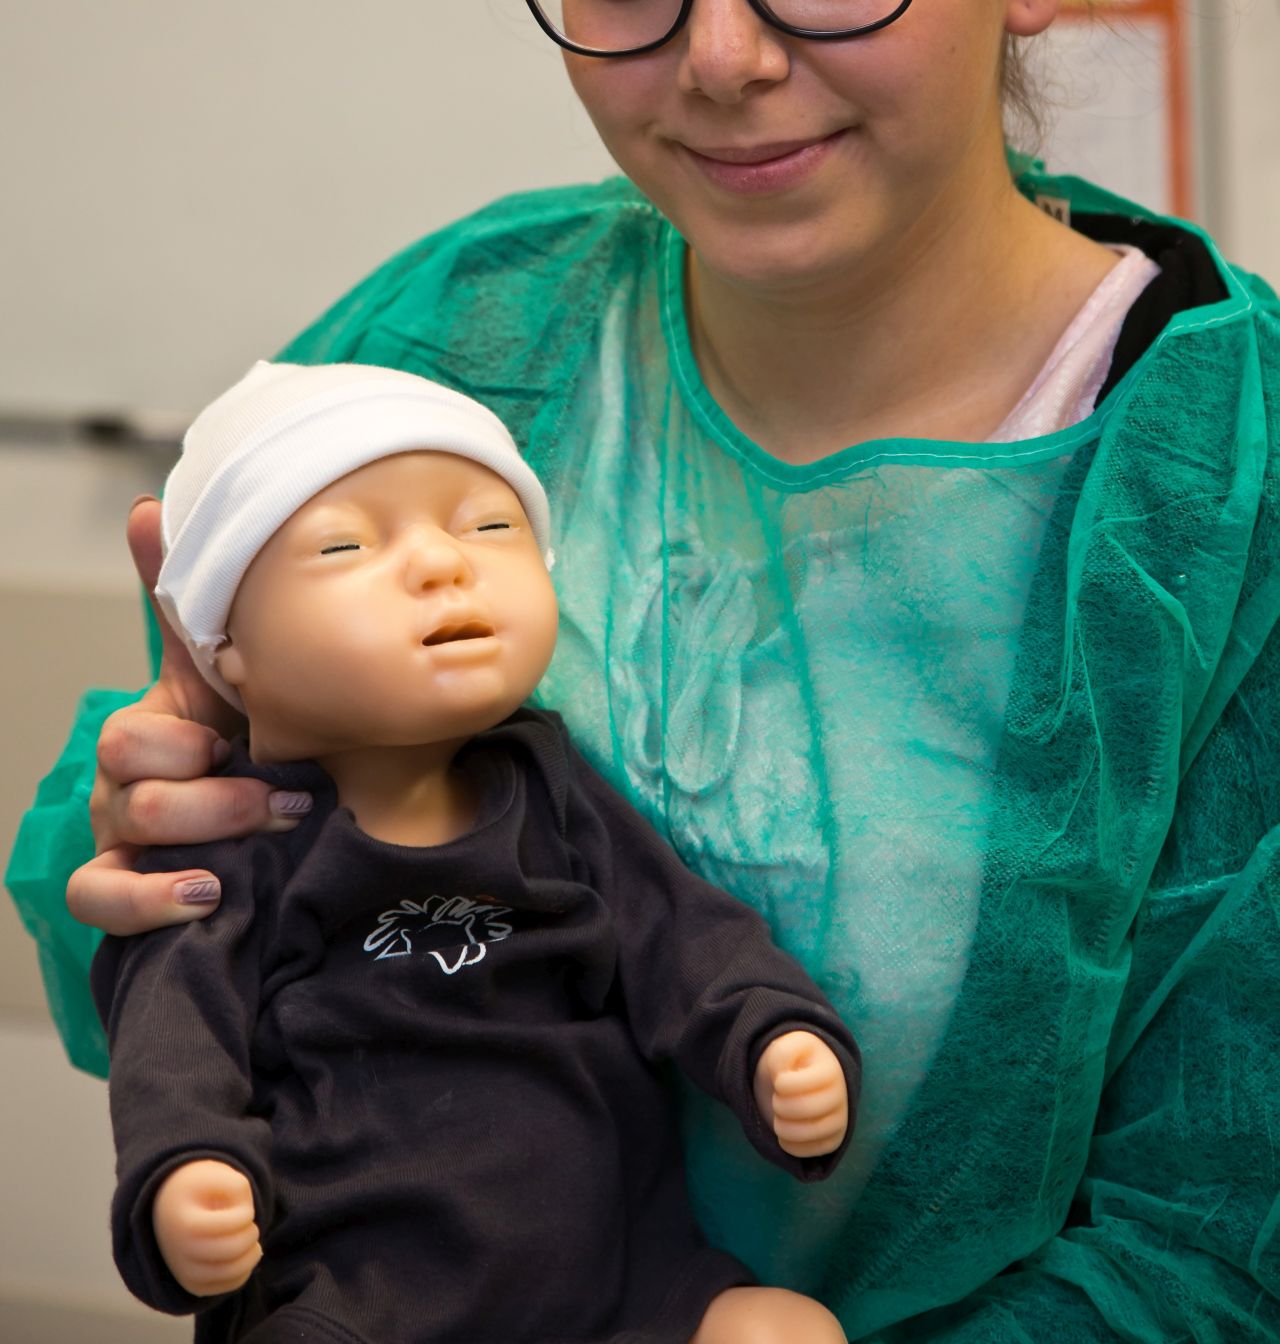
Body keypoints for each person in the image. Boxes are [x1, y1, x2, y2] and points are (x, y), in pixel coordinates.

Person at [8, 0, 1280, 1343]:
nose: (722, 56)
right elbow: (114, 912)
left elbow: (1217, 1245)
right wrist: (146, 836)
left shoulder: (1220, 499)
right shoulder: (457, 344)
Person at [93, 359, 856, 1344]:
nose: (441, 564)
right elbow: (171, 1039)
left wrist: (769, 1035)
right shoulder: (231, 843)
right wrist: (186, 1170)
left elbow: (682, 933)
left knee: (780, 1330)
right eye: (344, 544)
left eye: (489, 528)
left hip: (625, 1288)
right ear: (223, 643)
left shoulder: (552, 793)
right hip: (353, 1305)